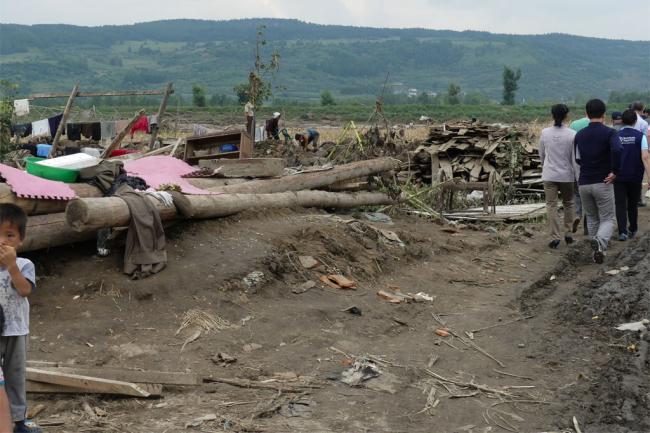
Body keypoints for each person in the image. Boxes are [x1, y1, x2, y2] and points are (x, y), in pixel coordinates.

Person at [0, 204, 41, 433]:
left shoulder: (25, 265)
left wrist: (12, 266)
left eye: (9, 235)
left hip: (16, 331)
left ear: (20, 240)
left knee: (15, 377)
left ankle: (18, 421)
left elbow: (25, 290)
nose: (2, 241)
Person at [575, 99, 622, 264]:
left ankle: (597, 252)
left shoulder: (579, 135)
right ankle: (600, 241)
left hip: (584, 182)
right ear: (604, 114)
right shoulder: (610, 133)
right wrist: (615, 171)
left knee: (592, 218)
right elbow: (617, 149)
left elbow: (577, 158)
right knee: (608, 218)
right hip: (603, 181)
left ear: (586, 114)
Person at [539, 104, 577, 249]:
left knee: (551, 205)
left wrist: (546, 166)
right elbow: (574, 157)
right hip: (567, 175)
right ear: (566, 117)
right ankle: (568, 234)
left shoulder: (545, 133)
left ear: (552, 116)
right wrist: (576, 174)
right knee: (569, 203)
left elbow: (542, 155)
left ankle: (555, 237)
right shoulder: (572, 134)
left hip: (549, 174)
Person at [614, 109, 650, 241]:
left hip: (618, 176)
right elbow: (645, 157)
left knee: (620, 204)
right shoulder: (641, 136)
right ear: (635, 121)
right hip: (635, 176)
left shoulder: (616, 136)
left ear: (622, 121)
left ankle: (622, 232)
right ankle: (633, 228)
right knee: (632, 203)